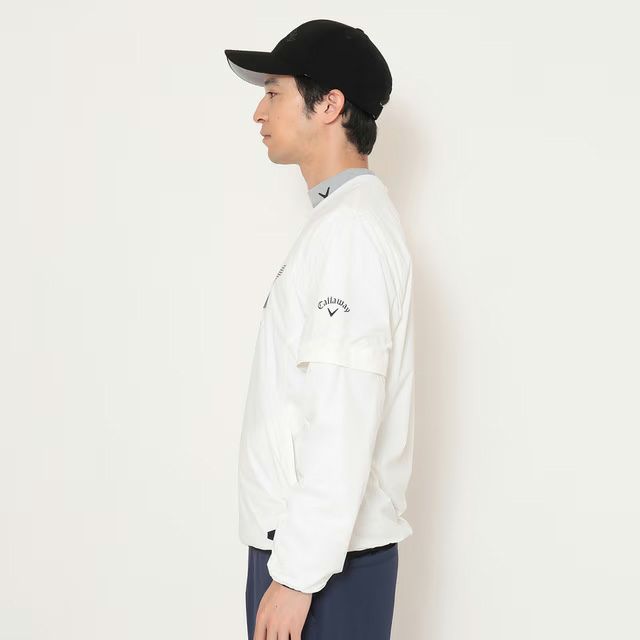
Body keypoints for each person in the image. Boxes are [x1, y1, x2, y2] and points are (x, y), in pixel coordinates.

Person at [224, 18, 416, 640]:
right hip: (308, 555)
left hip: (321, 568)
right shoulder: (339, 224)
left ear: (329, 104)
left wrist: (297, 576)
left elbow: (343, 412)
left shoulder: (350, 234)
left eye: (273, 92)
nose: (259, 112)